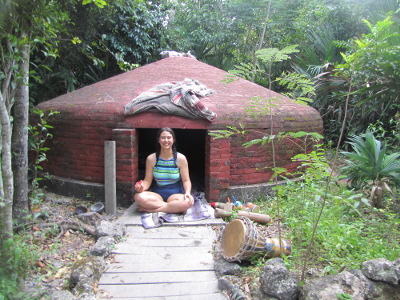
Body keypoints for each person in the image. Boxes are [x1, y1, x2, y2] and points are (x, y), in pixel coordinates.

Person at [133, 127, 195, 213]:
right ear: (158, 140)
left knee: (187, 202)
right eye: (163, 137)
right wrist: (141, 188)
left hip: (175, 194)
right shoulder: (151, 158)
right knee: (138, 197)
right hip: (157, 194)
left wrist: (187, 193)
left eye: (169, 137)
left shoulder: (181, 158)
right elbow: (147, 181)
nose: (166, 140)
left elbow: (186, 180)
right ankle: (172, 208)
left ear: (173, 140)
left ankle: (152, 210)